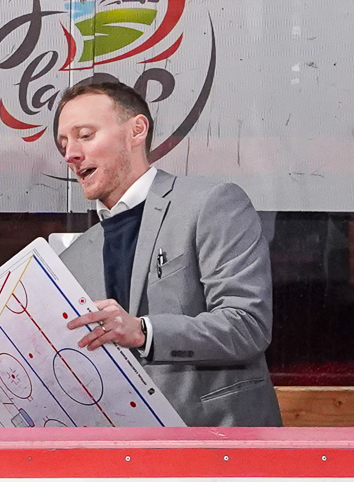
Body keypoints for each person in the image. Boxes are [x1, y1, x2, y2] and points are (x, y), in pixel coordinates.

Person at [54, 79, 282, 426]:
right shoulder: (72, 260)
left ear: (137, 130)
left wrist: (144, 331)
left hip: (220, 452)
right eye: (64, 143)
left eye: (85, 135)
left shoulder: (211, 202)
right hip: (121, 461)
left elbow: (247, 325)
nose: (70, 153)